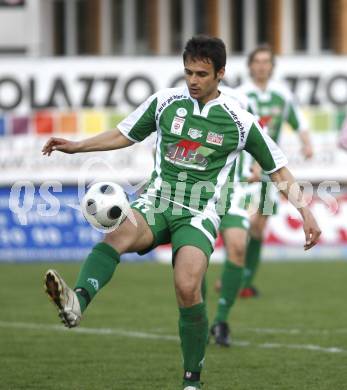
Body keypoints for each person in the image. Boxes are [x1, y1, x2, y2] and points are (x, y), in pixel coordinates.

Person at [42, 36, 320, 390]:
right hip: (157, 201)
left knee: (187, 288)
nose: (192, 80)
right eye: (188, 71)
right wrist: (77, 147)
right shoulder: (165, 102)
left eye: (202, 73)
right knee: (117, 236)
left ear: (220, 74)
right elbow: (124, 134)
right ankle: (77, 302)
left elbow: (278, 170)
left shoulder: (240, 121)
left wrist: (305, 212)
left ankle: (192, 381)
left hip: (200, 212)